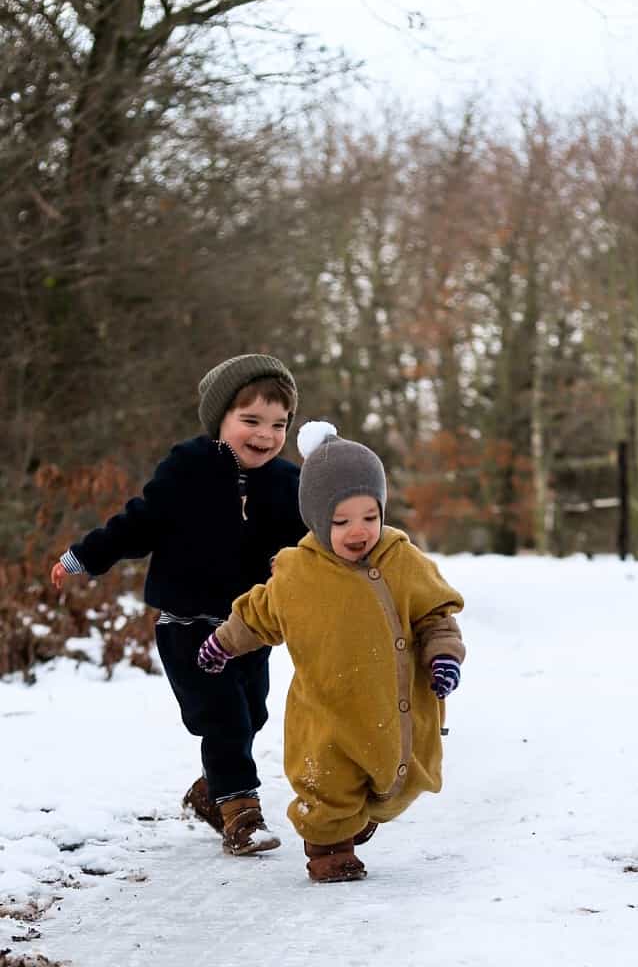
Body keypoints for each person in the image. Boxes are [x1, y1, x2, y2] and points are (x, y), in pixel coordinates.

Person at [50, 354, 307, 856]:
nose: (265, 434)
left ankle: (210, 792)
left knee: (251, 714)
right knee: (224, 716)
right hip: (188, 622)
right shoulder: (188, 467)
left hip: (251, 625)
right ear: (220, 421)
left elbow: (309, 542)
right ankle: (241, 814)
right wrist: (84, 556)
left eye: (279, 424)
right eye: (250, 421)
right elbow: (139, 522)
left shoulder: (287, 482)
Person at [195, 421, 465, 882]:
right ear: (318, 519)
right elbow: (259, 614)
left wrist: (443, 657)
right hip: (327, 715)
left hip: (391, 708)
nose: (359, 531)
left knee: (398, 783)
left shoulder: (401, 559)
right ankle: (329, 848)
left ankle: (358, 821)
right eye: (341, 521)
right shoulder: (298, 573)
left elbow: (436, 614)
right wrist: (223, 642)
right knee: (329, 787)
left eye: (370, 516)